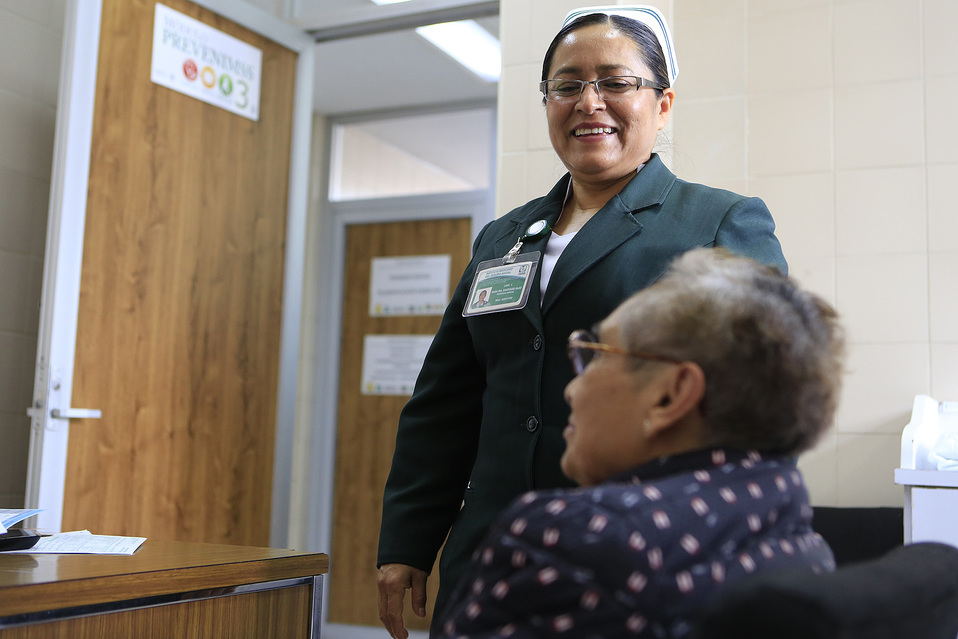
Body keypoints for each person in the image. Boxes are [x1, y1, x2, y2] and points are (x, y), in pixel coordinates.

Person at [377, 6, 788, 637]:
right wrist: (408, 538)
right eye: (567, 86)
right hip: (491, 552)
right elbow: (446, 400)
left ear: (662, 104)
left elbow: (764, 404)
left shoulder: (716, 223)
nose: (589, 102)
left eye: (615, 82)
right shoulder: (504, 237)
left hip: (637, 556)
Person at [436, 248, 846, 638]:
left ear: (670, 395)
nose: (572, 390)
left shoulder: (574, 543)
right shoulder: (799, 536)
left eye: (596, 355)